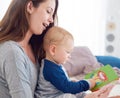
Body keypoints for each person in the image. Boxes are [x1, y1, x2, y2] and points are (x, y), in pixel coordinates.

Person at [0, 0, 58, 98]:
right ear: (30, 7)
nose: (51, 20)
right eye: (48, 11)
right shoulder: (12, 52)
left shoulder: (34, 48)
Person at [35, 26, 103, 98]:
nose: (69, 56)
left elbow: (63, 83)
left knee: (78, 91)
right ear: (53, 50)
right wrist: (88, 83)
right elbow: (68, 88)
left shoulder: (54, 65)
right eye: (67, 52)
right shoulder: (50, 69)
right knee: (69, 96)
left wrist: (73, 83)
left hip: (58, 93)